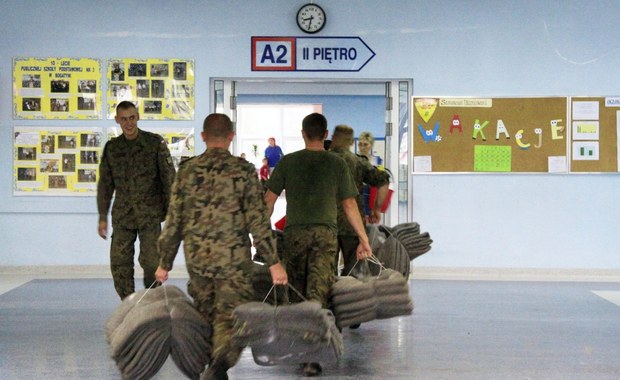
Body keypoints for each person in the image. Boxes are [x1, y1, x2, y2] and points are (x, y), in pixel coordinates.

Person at [155, 113, 287, 380]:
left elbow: (174, 221)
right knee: (232, 318)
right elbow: (258, 220)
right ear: (231, 137)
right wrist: (273, 261)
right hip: (234, 263)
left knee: (205, 313)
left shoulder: (187, 171)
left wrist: (163, 263)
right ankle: (219, 366)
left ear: (203, 137)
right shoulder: (243, 171)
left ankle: (212, 366)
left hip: (199, 261)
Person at [264, 113, 372, 377]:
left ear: (303, 134)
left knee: (297, 293)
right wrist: (363, 237)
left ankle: (301, 348)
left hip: (295, 235)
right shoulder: (337, 163)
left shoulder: (288, 162)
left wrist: (260, 234)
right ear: (325, 136)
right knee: (318, 293)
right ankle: (313, 357)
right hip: (325, 236)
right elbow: (349, 205)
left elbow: (268, 201)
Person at [97, 100, 176, 300]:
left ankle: (151, 303)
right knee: (119, 263)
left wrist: (172, 212)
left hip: (150, 215)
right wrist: (102, 216)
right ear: (117, 120)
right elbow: (105, 185)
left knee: (152, 264)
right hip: (123, 216)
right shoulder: (112, 148)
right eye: (123, 119)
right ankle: (129, 304)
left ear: (138, 117)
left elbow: (169, 179)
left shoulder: (154, 143)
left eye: (132, 117)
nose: (129, 123)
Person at [329, 125, 390, 279]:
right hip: (352, 223)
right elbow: (383, 181)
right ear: (351, 142)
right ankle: (348, 299)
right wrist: (377, 209)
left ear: (333, 137)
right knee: (353, 270)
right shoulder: (358, 162)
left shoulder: (322, 160)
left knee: (325, 271)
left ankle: (328, 300)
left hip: (326, 223)